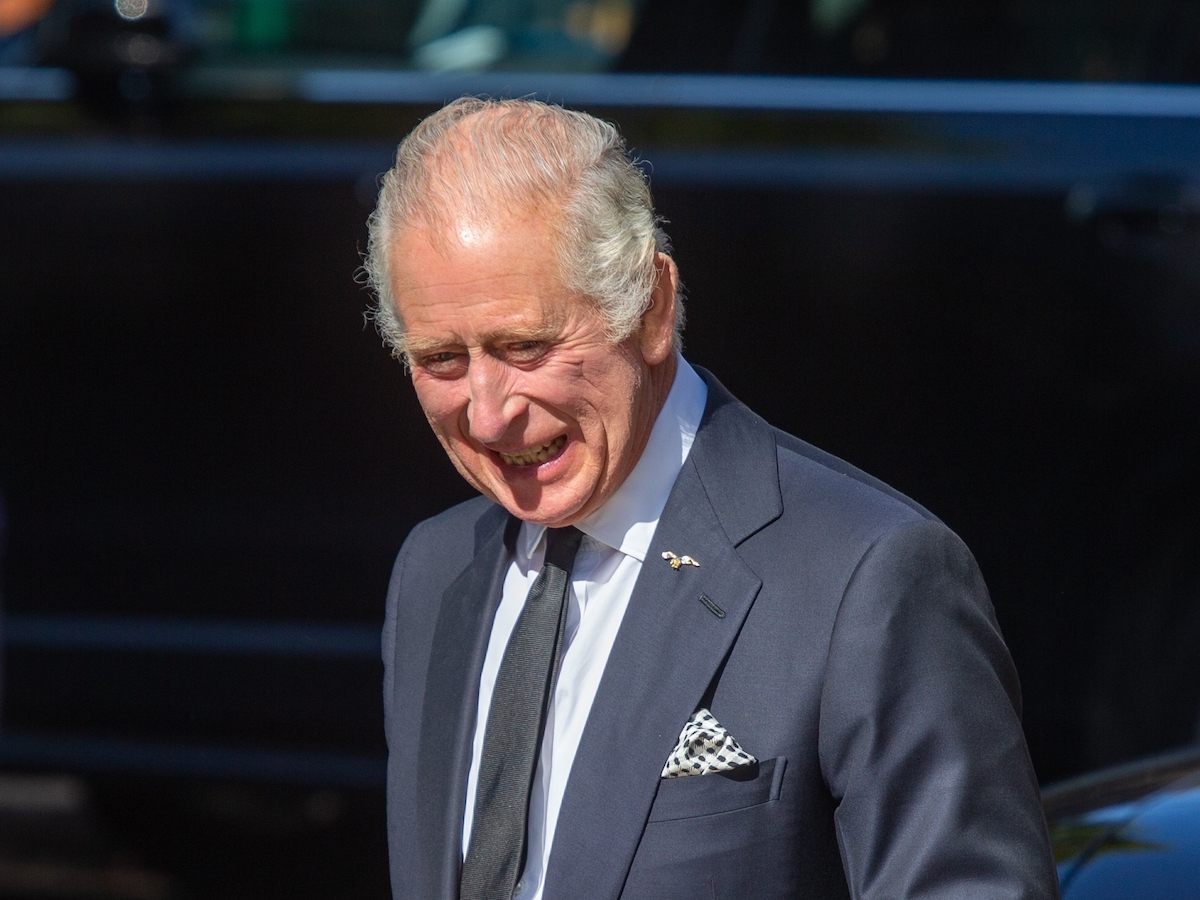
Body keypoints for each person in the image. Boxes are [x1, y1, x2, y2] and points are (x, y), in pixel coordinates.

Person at [367, 97, 1059, 900]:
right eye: (442, 358)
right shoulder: (436, 570)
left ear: (651, 309)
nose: (487, 412)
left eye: (526, 347)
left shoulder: (865, 578)